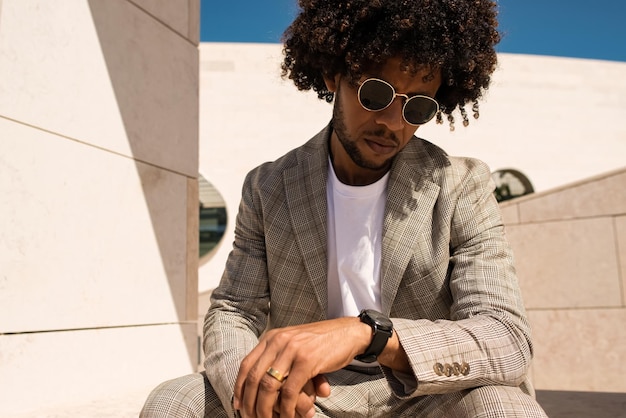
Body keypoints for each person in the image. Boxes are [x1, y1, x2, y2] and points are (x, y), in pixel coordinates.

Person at [142, 0, 548, 416]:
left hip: (425, 395)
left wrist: (365, 334)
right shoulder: (268, 187)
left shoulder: (462, 185)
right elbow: (233, 311)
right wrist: (262, 388)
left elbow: (506, 335)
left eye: (418, 107)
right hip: (309, 394)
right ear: (333, 74)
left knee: (504, 407)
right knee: (175, 402)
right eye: (376, 92)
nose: (393, 122)